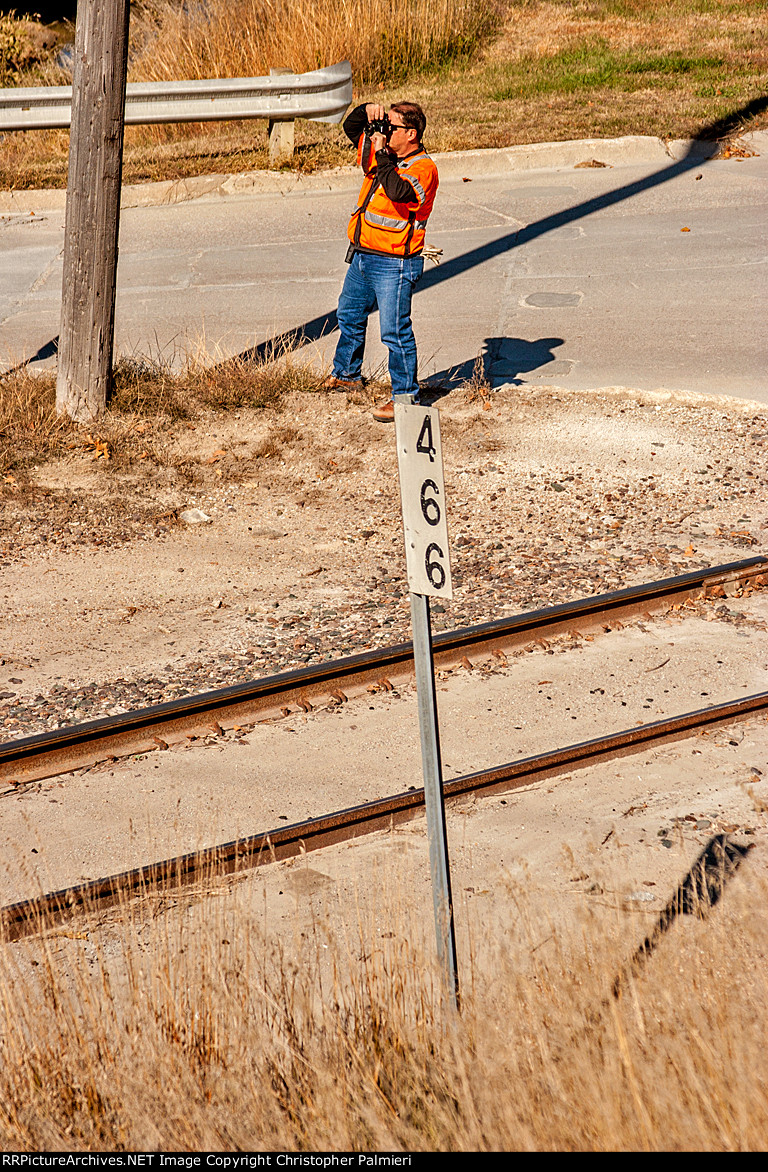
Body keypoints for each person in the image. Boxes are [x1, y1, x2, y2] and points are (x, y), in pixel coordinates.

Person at [325, 100, 438, 422]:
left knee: (394, 332)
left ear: (412, 134)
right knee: (349, 315)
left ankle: (404, 398)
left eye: (392, 128)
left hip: (395, 262)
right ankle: (346, 374)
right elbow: (350, 129)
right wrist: (366, 111)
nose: (385, 132)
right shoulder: (385, 153)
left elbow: (400, 192)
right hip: (363, 254)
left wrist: (382, 155)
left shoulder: (423, 168)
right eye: (384, 125)